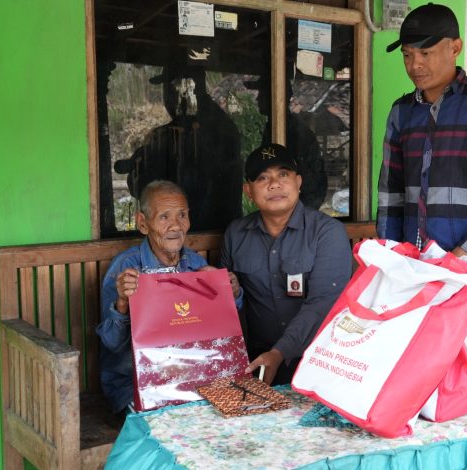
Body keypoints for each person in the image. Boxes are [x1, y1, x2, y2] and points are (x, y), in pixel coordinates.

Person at [376, 3, 467, 270]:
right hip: (410, 267)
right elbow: (392, 194)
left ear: (455, 48)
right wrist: (390, 255)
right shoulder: (401, 112)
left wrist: (463, 255)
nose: (414, 65)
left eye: (425, 52)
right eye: (407, 55)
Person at [96, 180, 242, 414]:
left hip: (192, 377)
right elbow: (112, 343)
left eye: (182, 215)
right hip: (136, 384)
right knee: (169, 424)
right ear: (143, 223)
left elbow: (217, 327)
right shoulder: (126, 269)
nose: (176, 225)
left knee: (232, 414)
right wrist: (123, 302)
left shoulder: (195, 264)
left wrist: (231, 292)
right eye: (164, 216)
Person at [220, 143, 351, 385]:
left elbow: (323, 303)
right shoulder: (236, 234)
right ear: (248, 190)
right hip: (256, 365)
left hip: (318, 364)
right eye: (262, 178)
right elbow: (228, 307)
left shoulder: (327, 232)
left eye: (283, 174)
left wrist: (279, 353)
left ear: (298, 182)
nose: (274, 184)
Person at [114, 63, 243, 231]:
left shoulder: (211, 128)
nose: (166, 97)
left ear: (184, 89)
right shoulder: (215, 124)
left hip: (200, 233)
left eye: (168, 89)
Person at [245, 76, 328, 210]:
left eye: (262, 94)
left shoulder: (293, 132)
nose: (257, 99)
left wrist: (298, 216)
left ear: (276, 97)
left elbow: (311, 182)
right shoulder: (275, 127)